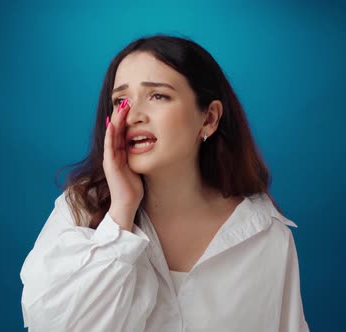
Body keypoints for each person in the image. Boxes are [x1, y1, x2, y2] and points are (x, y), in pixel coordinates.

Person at [20, 34, 310, 332]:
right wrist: (121, 213)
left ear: (209, 118)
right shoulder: (79, 210)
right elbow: (51, 325)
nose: (133, 115)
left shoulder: (264, 235)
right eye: (121, 100)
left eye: (158, 96)